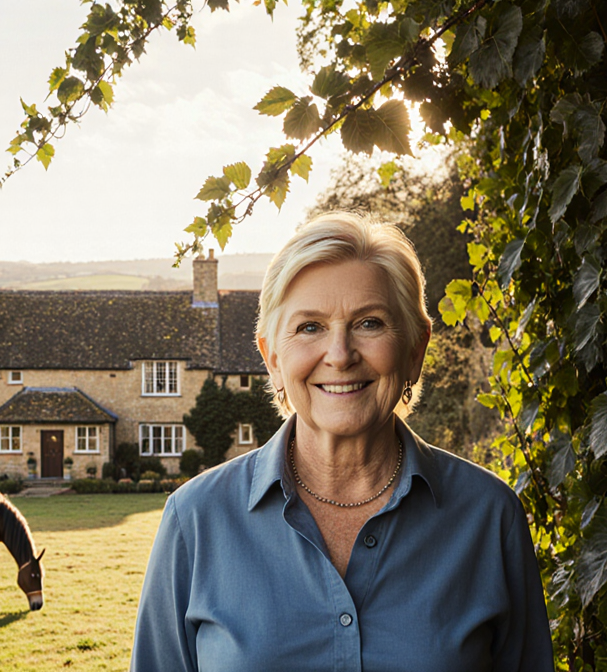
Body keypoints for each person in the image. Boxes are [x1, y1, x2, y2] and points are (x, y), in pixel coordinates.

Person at [131, 212, 553, 671]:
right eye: (309, 327)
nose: (340, 355)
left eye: (369, 323)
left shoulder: (489, 517)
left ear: (415, 349)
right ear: (272, 359)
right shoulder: (195, 521)